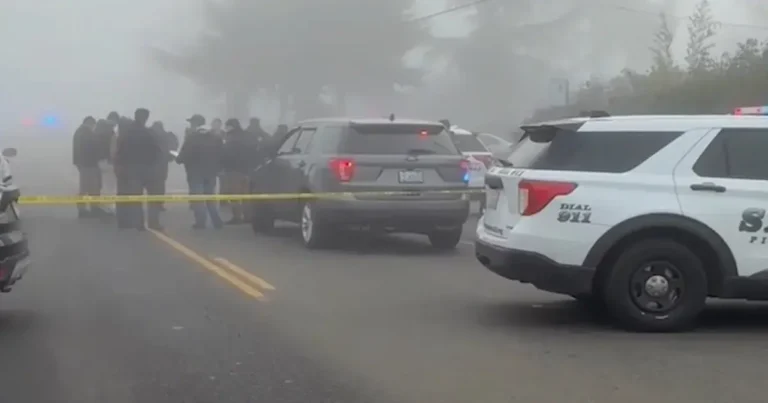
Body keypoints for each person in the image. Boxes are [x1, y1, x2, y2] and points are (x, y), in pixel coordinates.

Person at [114, 108, 164, 231]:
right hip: (149, 169)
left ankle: (139, 223)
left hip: (132, 170)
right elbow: (158, 151)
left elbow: (119, 153)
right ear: (146, 118)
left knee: (136, 198)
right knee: (154, 197)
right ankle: (154, 222)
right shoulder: (150, 133)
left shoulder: (126, 133)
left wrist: (122, 167)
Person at [176, 114, 224, 229]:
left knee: (198, 199)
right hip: (211, 173)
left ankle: (200, 222)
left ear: (196, 124)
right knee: (210, 198)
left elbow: (183, 156)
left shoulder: (192, 138)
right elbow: (222, 155)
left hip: (195, 173)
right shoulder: (216, 138)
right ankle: (216, 221)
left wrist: (178, 159)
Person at [221, 118, 256, 224]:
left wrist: (223, 165)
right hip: (248, 169)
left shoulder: (231, 138)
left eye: (227, 126)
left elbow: (227, 154)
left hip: (233, 170)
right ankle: (248, 216)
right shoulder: (248, 135)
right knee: (246, 195)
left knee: (234, 195)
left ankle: (237, 217)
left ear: (231, 126)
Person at [73, 116, 104, 218]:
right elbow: (90, 148)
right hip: (89, 163)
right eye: (93, 125)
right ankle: (90, 208)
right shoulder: (86, 133)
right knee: (90, 187)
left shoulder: (79, 132)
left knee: (88, 187)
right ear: (90, 123)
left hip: (84, 164)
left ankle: (87, 208)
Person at [150, 121, 179, 211]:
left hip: (151, 165)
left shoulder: (150, 136)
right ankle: (159, 204)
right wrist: (170, 158)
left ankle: (153, 204)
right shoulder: (167, 136)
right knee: (160, 185)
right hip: (162, 165)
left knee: (152, 186)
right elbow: (173, 148)